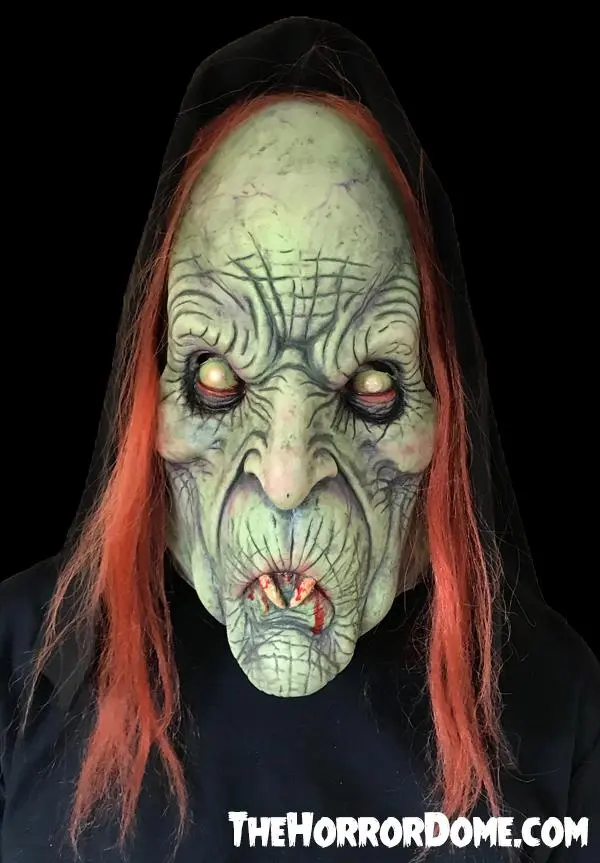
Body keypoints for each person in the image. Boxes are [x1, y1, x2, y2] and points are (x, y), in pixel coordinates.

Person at [1, 16, 598, 863]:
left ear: (444, 409)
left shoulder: (550, 699)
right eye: (218, 379)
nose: (286, 475)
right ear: (151, 393)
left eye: (371, 386)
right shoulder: (19, 665)